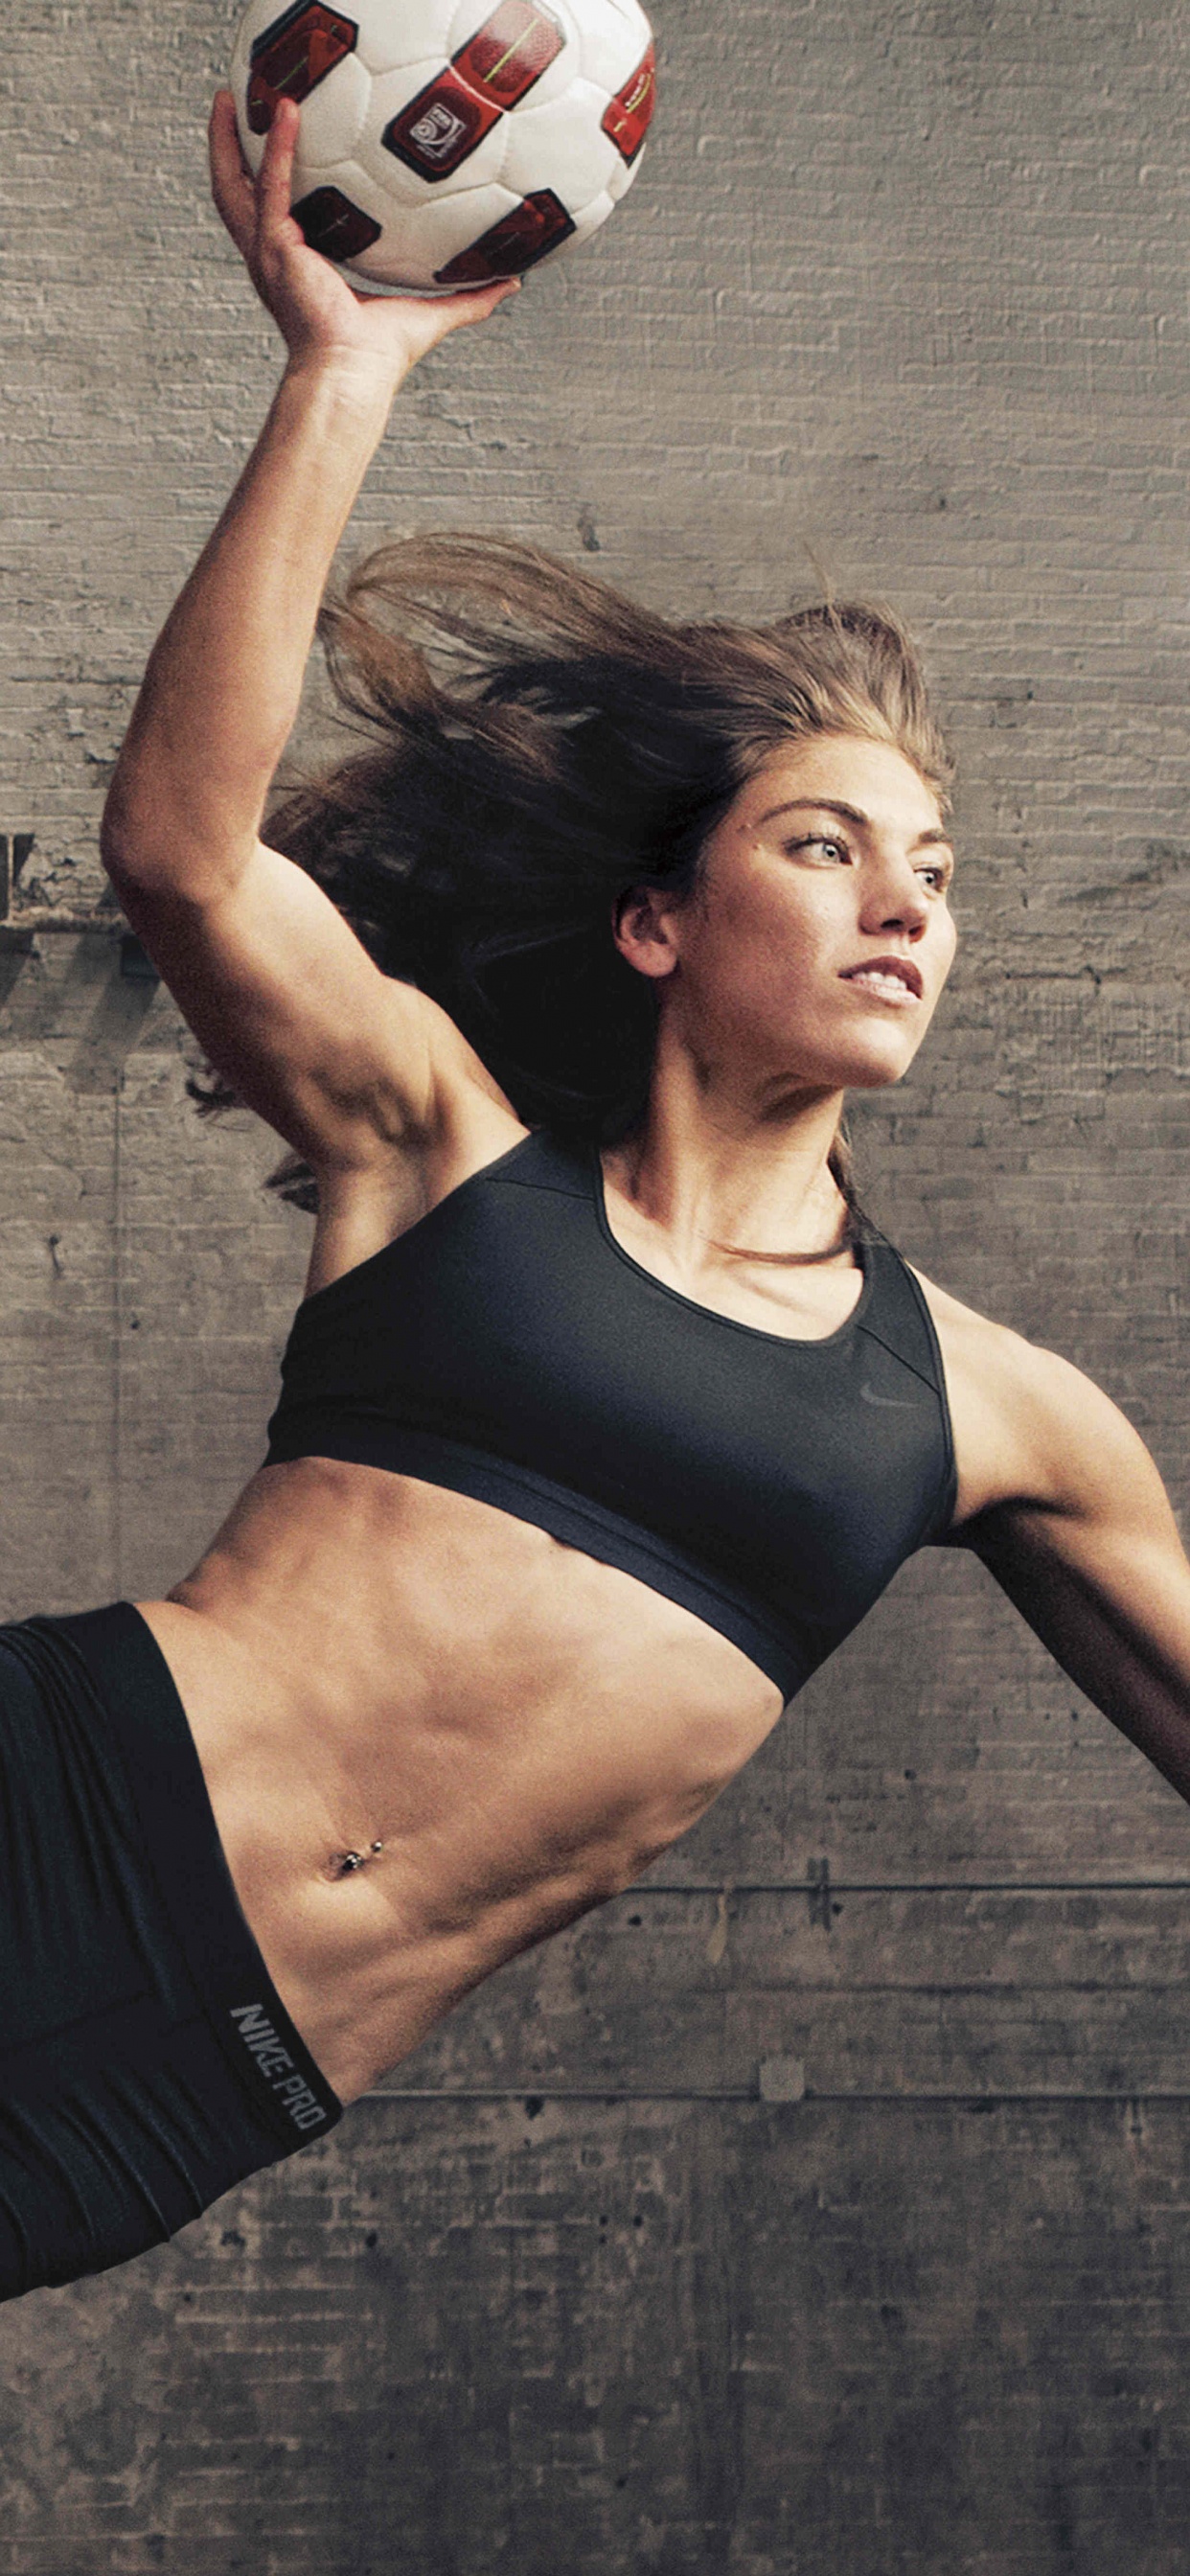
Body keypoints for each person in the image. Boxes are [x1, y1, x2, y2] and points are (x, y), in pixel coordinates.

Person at [2, 89, 1188, 2306]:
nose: (903, 907)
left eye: (935, 874)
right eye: (826, 848)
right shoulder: (437, 1149)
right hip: (55, 1805)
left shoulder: (1002, 1415)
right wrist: (342, 371)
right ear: (660, 922)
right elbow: (180, 855)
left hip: (212, 2081)